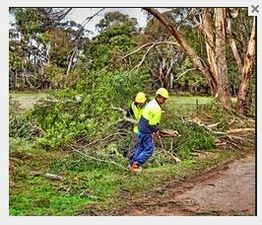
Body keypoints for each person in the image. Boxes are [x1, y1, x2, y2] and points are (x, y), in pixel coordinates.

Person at [129, 88, 169, 173]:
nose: (165, 101)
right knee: (149, 149)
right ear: (159, 97)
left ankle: (132, 163)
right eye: (164, 99)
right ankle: (136, 164)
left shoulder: (151, 103)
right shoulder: (157, 108)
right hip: (146, 131)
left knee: (141, 147)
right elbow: (152, 125)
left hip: (140, 128)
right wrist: (156, 132)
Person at [126, 92, 147, 159]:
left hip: (145, 131)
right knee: (133, 146)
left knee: (143, 147)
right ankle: (129, 160)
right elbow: (129, 113)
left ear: (145, 101)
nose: (140, 104)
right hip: (136, 130)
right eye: (138, 102)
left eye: (141, 103)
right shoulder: (133, 105)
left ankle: (139, 161)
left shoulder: (148, 108)